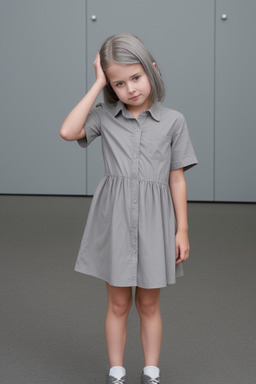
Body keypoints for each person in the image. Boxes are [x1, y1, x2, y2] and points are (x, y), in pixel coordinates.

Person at [60, 33, 198, 384]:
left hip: (155, 223)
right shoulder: (105, 115)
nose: (130, 89)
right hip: (115, 222)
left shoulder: (174, 121)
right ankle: (116, 371)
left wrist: (181, 230)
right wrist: (97, 84)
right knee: (118, 304)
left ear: (152, 70)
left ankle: (151, 372)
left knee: (149, 305)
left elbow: (177, 179)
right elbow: (68, 131)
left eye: (135, 78)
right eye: (118, 83)